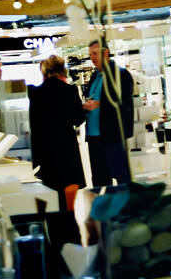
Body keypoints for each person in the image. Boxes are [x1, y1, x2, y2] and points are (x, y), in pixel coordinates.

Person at [28, 54, 86, 210]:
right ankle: (70, 221)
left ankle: (54, 225)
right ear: (63, 70)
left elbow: (34, 124)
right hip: (66, 146)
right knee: (69, 185)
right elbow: (78, 119)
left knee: (51, 188)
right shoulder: (69, 90)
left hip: (46, 147)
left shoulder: (36, 93)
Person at [83, 40, 134, 188]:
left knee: (122, 179)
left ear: (106, 53)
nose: (92, 57)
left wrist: (99, 104)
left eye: (95, 53)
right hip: (94, 138)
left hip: (112, 137)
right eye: (90, 55)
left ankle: (125, 209)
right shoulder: (94, 77)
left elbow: (124, 104)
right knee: (99, 182)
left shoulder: (120, 75)